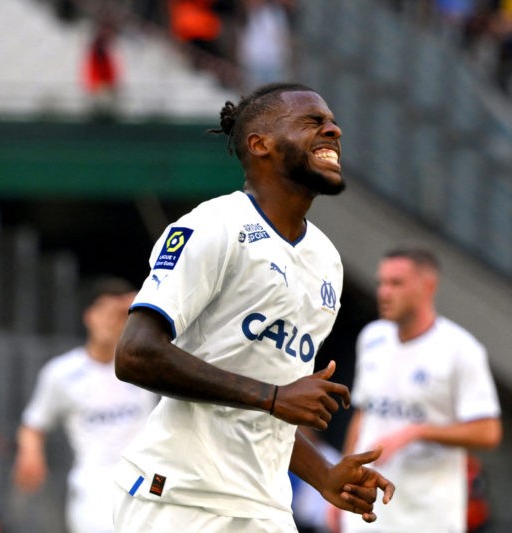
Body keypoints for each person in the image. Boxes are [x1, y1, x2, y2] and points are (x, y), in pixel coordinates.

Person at [111, 82, 394, 532]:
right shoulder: (213, 226)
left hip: (265, 507)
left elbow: (271, 405)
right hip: (180, 500)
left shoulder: (327, 261)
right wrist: (275, 397)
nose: (333, 130)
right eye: (312, 122)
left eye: (333, 122)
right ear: (259, 144)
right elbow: (134, 354)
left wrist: (323, 476)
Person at [335, 247, 503, 533]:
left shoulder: (460, 349)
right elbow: (364, 415)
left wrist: (419, 431)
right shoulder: (372, 338)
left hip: (428, 517)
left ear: (428, 286)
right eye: (381, 283)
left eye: (396, 283)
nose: (384, 292)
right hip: (368, 513)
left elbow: (488, 432)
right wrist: (339, 483)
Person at [12, 276, 156, 533]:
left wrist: (147, 302)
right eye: (105, 311)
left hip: (146, 486)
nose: (112, 321)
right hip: (94, 492)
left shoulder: (147, 365)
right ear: (89, 316)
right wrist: (30, 453)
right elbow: (33, 424)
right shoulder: (62, 372)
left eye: (120, 314)